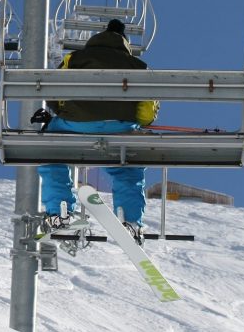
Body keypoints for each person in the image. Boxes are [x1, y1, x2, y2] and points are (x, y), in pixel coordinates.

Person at [35, 19, 158, 244]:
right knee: (127, 171)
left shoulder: (73, 60)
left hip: (75, 125)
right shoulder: (138, 66)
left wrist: (67, 111)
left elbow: (54, 95)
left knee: (50, 155)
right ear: (125, 43)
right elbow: (146, 113)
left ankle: (60, 214)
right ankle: (129, 221)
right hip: (120, 128)